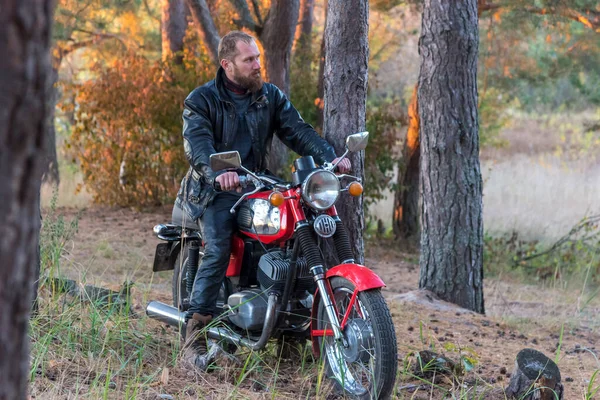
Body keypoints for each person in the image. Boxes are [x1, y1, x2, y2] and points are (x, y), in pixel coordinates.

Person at [174, 31, 350, 368]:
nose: (258, 65)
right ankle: (194, 336)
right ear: (227, 65)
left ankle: (288, 322)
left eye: (258, 58)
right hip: (212, 189)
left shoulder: (269, 96)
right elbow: (198, 147)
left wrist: (330, 158)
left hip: (255, 183)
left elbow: (298, 131)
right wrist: (216, 173)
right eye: (249, 60)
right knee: (218, 246)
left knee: (295, 232)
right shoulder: (200, 100)